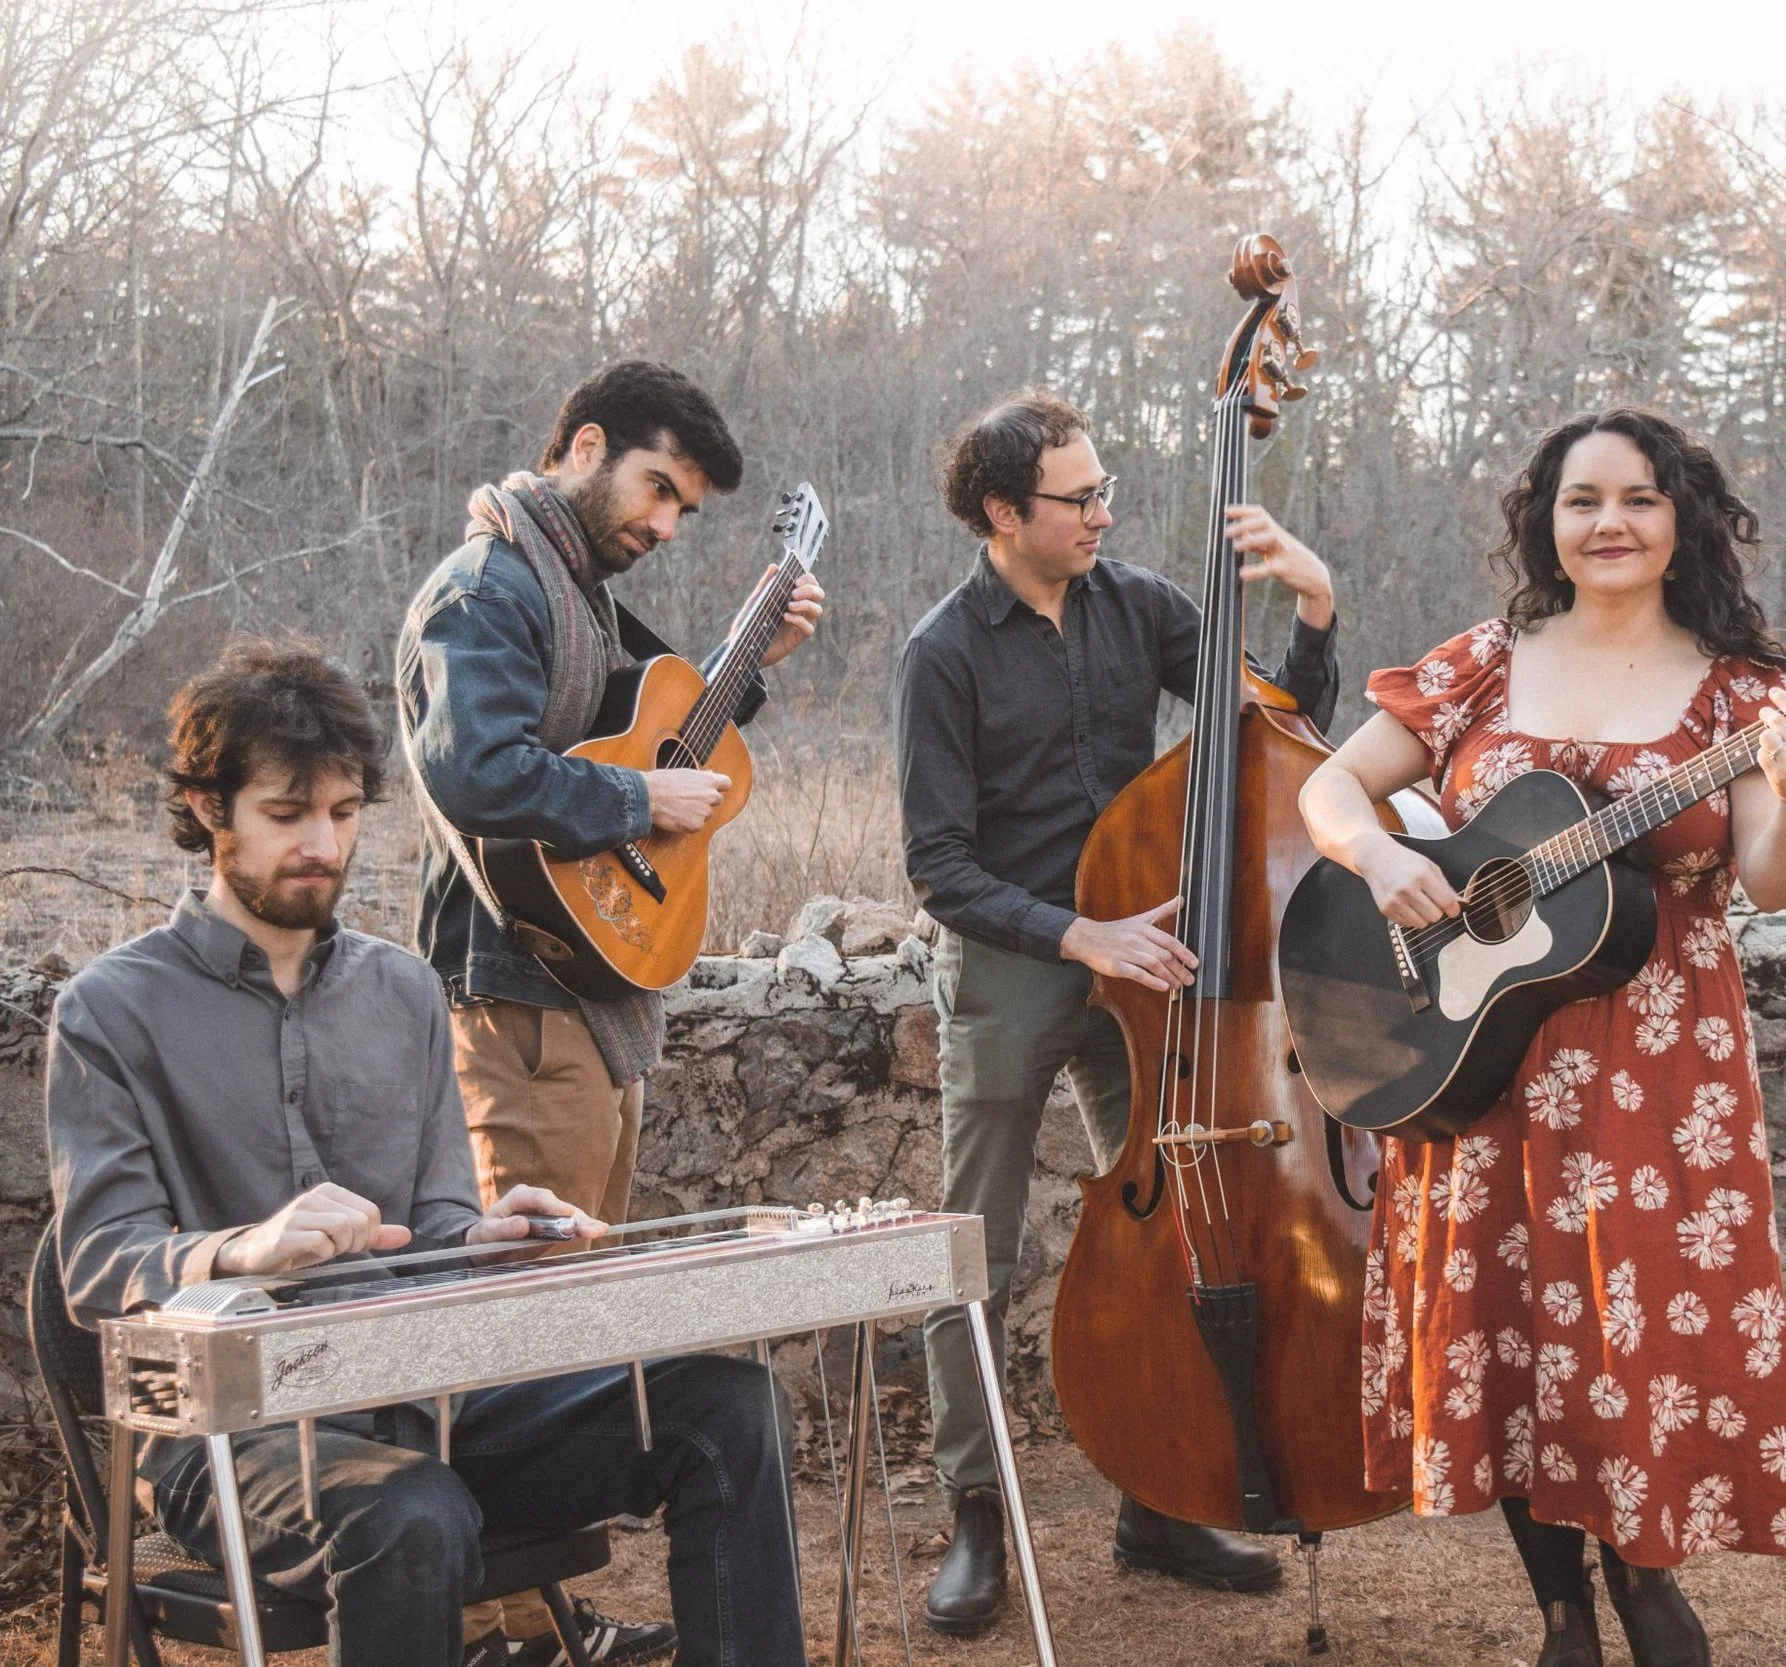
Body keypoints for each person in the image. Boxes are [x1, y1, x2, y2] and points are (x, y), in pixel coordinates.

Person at [45, 641, 807, 1667]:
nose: (323, 843)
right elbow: (96, 1263)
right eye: (287, 813)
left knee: (726, 1405)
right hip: (230, 1436)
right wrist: (241, 1248)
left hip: (424, 1399)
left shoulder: (403, 988)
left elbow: (439, 1224)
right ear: (207, 806)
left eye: (346, 812)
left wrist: (488, 1235)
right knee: (412, 1511)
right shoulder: (108, 1009)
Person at [1298, 408, 1786, 1667]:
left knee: (1633, 1323)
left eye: (1639, 499)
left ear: (1681, 517)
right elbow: (1329, 785)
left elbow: (1770, 878)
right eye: (1582, 499)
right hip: (1477, 1049)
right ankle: (1557, 1612)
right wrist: (1376, 853)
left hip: (1657, 1069)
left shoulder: (1741, 694)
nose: (1609, 523)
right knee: (1509, 1321)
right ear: (1546, 518)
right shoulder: (1487, 659)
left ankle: (1648, 1583)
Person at [893, 390, 1340, 1635]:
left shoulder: (1139, 603)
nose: (1101, 513)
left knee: (1185, 1221)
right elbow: (938, 864)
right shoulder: (941, 653)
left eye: (1105, 491)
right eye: (1076, 498)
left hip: (1148, 960)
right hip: (1015, 960)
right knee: (971, 1245)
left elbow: (1280, 731)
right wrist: (1076, 932)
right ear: (1001, 513)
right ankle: (978, 1510)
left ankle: (1162, 1491)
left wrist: (1313, 607)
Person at [396, 361, 818, 1659]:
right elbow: (477, 767)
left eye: (687, 509)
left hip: (591, 1000)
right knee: (522, 1327)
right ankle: (499, 1625)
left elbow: (645, 739)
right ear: (583, 442)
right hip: (518, 1003)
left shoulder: (570, 593)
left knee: (564, 1311)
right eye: (658, 489)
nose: (667, 524)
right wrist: (638, 810)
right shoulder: (487, 588)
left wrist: (756, 665)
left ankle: (531, 1610)